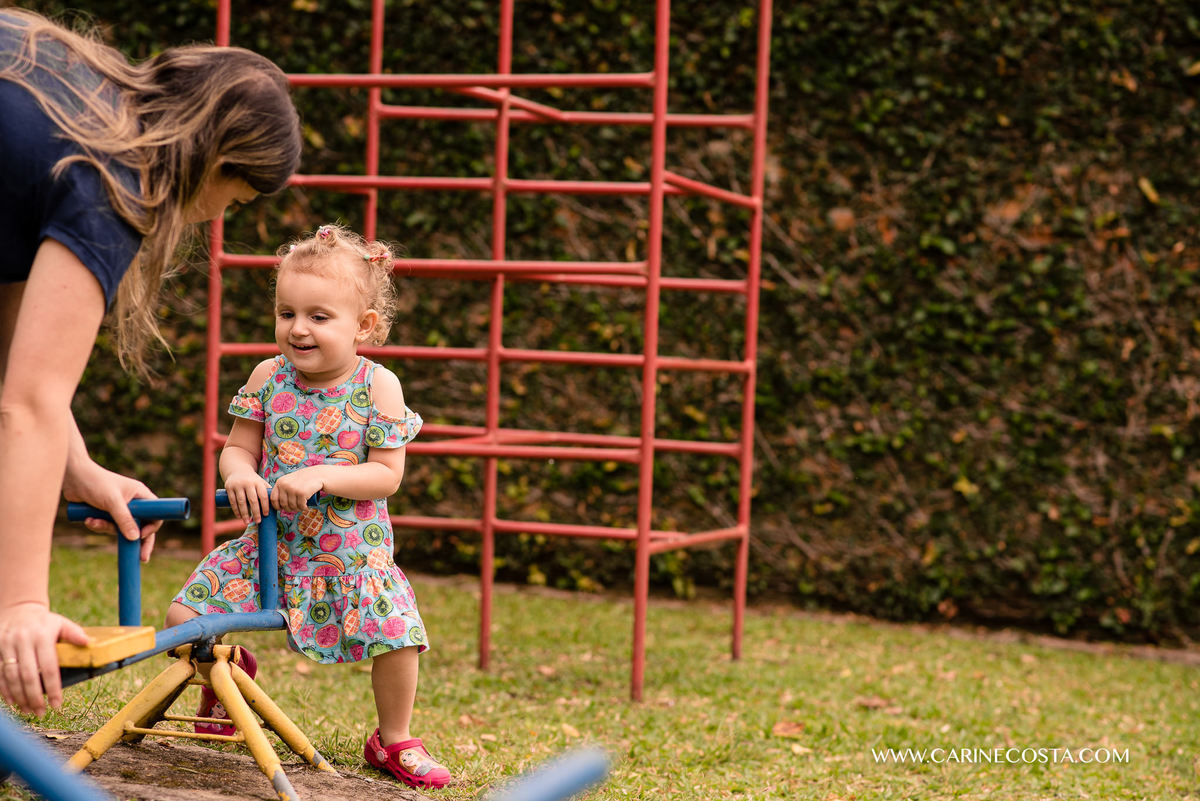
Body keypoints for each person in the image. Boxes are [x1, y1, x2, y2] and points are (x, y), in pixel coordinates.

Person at [0, 7, 301, 718]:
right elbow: (29, 402)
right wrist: (21, 604)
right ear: (221, 160)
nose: (221, 214)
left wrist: (81, 469)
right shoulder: (114, 180)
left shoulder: (75, 95)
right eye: (239, 197)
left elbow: (13, 357)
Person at [164, 224, 450, 790]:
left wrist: (321, 474)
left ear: (364, 325)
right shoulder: (268, 378)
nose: (298, 328)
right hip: (269, 547)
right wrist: (241, 472)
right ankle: (226, 678)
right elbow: (238, 448)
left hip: (349, 556)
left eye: (319, 316)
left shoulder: (377, 386)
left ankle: (393, 739)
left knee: (398, 634)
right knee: (180, 622)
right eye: (286, 312)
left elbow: (386, 475)